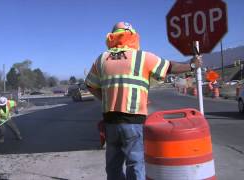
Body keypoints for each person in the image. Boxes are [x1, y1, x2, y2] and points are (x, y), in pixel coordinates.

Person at [85, 22, 202, 180]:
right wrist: (192, 65)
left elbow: (90, 85)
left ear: (112, 37)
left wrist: (106, 99)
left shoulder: (102, 58)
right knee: (135, 164)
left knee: (113, 166)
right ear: (132, 36)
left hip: (110, 122)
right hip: (133, 122)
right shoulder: (141, 57)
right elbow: (169, 67)